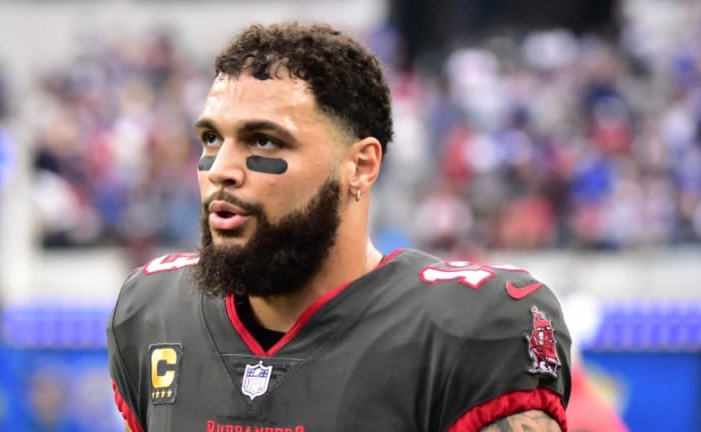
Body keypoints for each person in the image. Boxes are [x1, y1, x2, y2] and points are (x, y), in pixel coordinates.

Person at [106, 22, 572, 432]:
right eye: (211, 138)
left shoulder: (468, 326)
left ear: (361, 166)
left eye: (263, 140)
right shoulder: (153, 311)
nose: (220, 170)